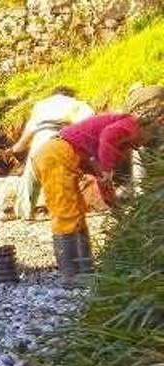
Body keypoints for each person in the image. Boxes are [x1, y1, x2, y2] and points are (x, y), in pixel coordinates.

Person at [33, 88, 162, 284]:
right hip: (56, 155)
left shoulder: (123, 140)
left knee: (76, 211)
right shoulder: (130, 125)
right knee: (65, 212)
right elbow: (108, 138)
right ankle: (71, 274)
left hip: (62, 156)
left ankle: (85, 270)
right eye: (147, 140)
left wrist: (111, 201)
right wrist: (108, 170)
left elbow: (101, 176)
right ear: (149, 126)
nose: (142, 145)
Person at [10, 87, 94, 220]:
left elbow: (29, 131)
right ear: (70, 95)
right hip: (61, 139)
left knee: (31, 175)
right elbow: (88, 123)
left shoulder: (41, 105)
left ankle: (24, 214)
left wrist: (16, 148)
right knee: (63, 175)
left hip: (39, 139)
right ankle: (66, 211)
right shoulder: (76, 104)